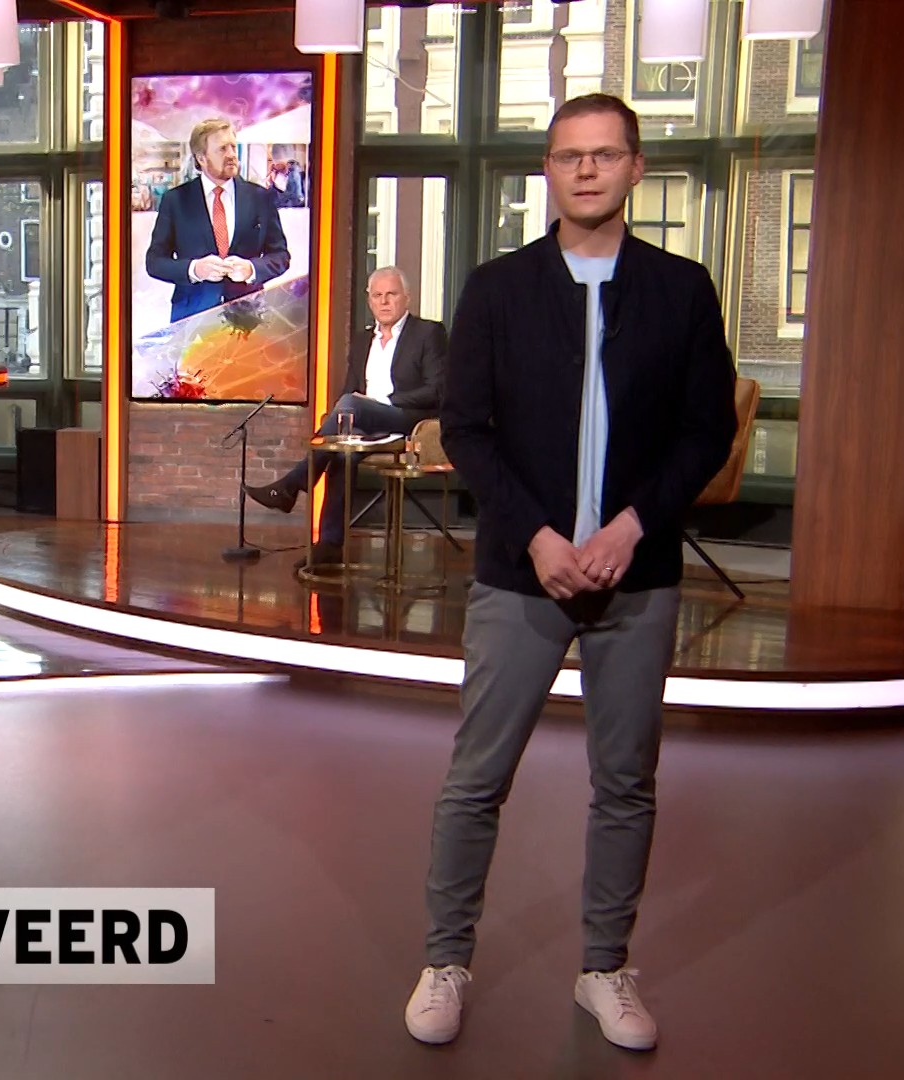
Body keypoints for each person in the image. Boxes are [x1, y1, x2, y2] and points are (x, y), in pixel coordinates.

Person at [404, 93, 736, 1052]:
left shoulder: (681, 289)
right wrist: (540, 538)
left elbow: (705, 430)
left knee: (626, 781)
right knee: (476, 780)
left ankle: (604, 968)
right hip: (523, 575)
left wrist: (631, 526)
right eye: (568, 156)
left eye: (604, 154)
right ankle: (445, 961)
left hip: (639, 574)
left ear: (635, 168)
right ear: (548, 171)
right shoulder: (498, 289)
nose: (586, 170)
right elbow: (466, 430)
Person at [244, 267, 447, 564]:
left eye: (391, 294)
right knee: (341, 452)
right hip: (365, 425)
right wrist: (350, 412)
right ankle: (329, 545)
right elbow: (348, 391)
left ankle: (293, 484)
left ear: (407, 297)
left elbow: (436, 390)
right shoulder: (363, 340)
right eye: (377, 295)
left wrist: (377, 402)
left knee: (352, 405)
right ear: (369, 300)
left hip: (408, 421)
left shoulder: (428, 333)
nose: (384, 301)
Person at [145, 117, 290, 323]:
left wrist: (251, 269)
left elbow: (281, 256)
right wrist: (195, 269)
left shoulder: (260, 198)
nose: (231, 154)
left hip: (248, 318)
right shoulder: (175, 200)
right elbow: (155, 262)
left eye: (233, 147)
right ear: (202, 158)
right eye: (222, 149)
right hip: (192, 319)